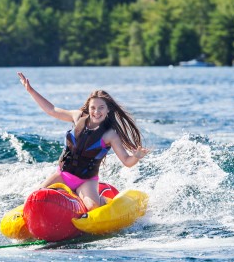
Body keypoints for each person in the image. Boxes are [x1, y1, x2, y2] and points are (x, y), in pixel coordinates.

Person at [18, 72, 149, 211]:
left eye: (101, 108)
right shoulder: (78, 116)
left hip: (86, 181)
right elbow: (52, 110)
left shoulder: (110, 135)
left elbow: (127, 161)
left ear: (108, 110)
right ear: (88, 108)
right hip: (63, 175)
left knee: (93, 207)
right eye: (93, 108)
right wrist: (30, 91)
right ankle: (73, 196)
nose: (96, 112)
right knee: (35, 198)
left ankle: (104, 200)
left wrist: (136, 156)